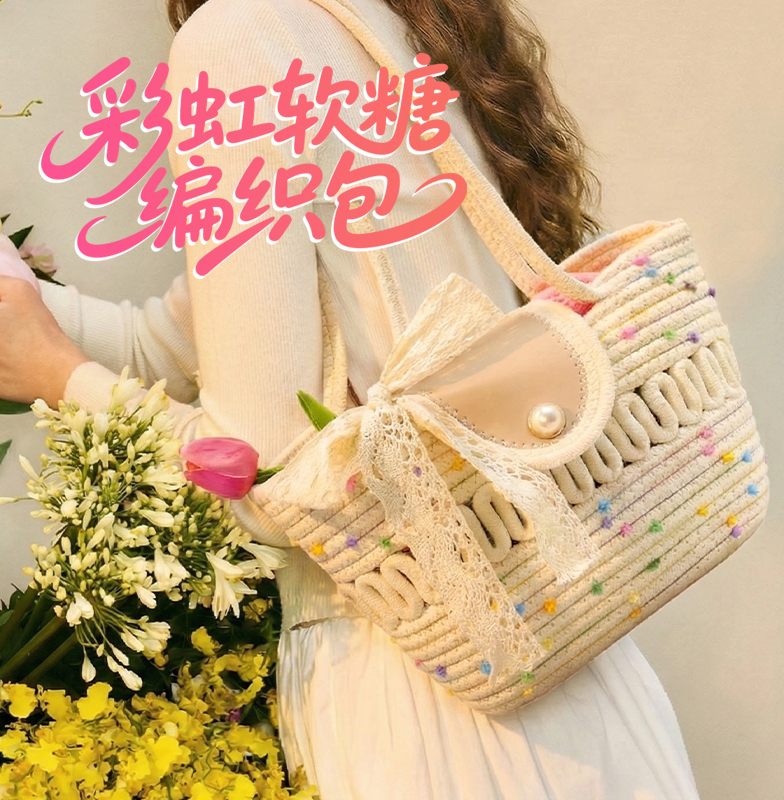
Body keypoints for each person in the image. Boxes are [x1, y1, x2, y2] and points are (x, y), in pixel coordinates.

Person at [0, 0, 704, 796]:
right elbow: (165, 347)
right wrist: (35, 323)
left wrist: (60, 378)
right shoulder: (406, 19)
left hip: (424, 696)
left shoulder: (240, 38)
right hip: (573, 667)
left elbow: (267, 482)